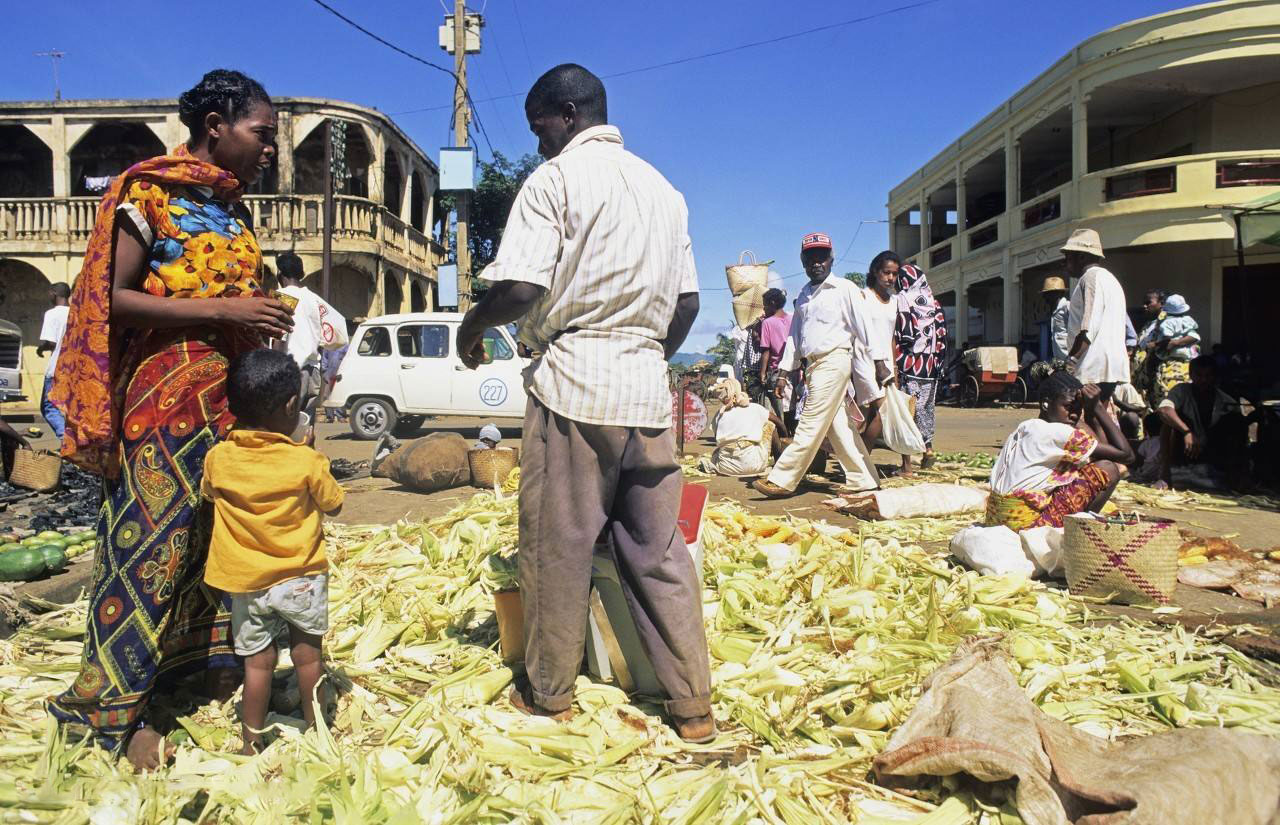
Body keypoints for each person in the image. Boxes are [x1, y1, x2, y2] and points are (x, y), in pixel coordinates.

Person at [454, 64, 713, 742]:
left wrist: (470, 327)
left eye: (541, 128)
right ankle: (693, 709)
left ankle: (550, 694)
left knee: (556, 546)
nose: (539, 143)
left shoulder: (555, 181)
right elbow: (686, 304)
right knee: (659, 550)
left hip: (575, 383)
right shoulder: (665, 190)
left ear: (567, 113)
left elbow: (519, 288)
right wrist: (648, 350)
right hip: (646, 391)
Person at [47, 69, 291, 769]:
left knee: (216, 541)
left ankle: (187, 676)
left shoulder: (234, 209)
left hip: (229, 404)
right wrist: (226, 311)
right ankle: (110, 712)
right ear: (215, 125)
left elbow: (235, 297)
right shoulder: (146, 194)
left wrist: (262, 315)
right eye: (262, 134)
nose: (269, 148)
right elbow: (113, 298)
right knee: (147, 549)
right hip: (163, 403)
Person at [201, 349, 343, 755]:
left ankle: (251, 743)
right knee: (307, 656)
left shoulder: (219, 457)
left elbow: (210, 494)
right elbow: (333, 503)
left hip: (245, 580)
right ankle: (320, 734)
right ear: (291, 406)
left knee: (258, 663)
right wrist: (312, 454)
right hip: (300, 577)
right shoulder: (305, 460)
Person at [751, 233, 880, 499]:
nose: (816, 263)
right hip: (812, 366)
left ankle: (783, 479)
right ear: (802, 261)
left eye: (822, 257)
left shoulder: (845, 289)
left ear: (832, 259)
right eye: (810, 258)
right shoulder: (805, 296)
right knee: (838, 426)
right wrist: (784, 374)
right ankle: (864, 478)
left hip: (836, 359)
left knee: (809, 422)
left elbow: (865, 326)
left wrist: (878, 362)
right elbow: (794, 339)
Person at [985, 371, 1133, 530]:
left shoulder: (1027, 426)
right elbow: (1126, 455)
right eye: (1068, 407)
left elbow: (1098, 452)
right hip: (1025, 524)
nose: (1074, 414)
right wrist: (1097, 408)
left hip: (996, 518)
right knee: (1108, 469)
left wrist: (1089, 413)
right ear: (1045, 404)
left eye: (1079, 409)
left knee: (1092, 468)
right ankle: (1078, 534)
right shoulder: (1056, 432)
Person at [1154, 355, 1253, 490]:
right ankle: (1165, 475)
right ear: (1191, 375)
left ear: (1215, 377)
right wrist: (1186, 432)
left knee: (1235, 422)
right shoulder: (1181, 391)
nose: (1204, 380)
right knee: (1168, 424)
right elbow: (1164, 410)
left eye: (1208, 375)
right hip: (1184, 451)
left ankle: (1234, 477)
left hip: (1211, 454)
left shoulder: (1224, 400)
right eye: (1199, 375)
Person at [275, 252, 347, 419]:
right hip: (313, 372)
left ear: (280, 273)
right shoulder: (314, 299)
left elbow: (280, 337)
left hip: (290, 371)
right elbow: (338, 330)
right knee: (305, 425)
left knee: (285, 427)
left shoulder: (283, 297)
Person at [1062, 229, 1129, 399]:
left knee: (1086, 417)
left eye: (1068, 258)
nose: (1066, 264)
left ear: (1082, 257)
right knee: (1098, 415)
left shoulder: (1090, 278)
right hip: (1110, 366)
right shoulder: (1111, 279)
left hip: (1091, 366)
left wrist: (1070, 362)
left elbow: (1089, 327)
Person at [894, 263, 946, 475]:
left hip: (910, 367)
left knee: (906, 412)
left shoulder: (902, 300)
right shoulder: (935, 303)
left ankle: (906, 465)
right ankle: (928, 449)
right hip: (931, 369)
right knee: (925, 410)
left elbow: (902, 334)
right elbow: (943, 337)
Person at [855, 251, 900, 455]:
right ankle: (862, 464)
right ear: (875, 271)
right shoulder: (863, 297)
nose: (890, 278)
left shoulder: (895, 301)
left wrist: (894, 368)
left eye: (894, 274)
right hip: (865, 362)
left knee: (874, 415)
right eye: (886, 272)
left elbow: (891, 337)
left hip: (887, 365)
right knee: (882, 412)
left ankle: (859, 461)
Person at [701, 377, 781, 477]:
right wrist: (785, 437)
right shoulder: (755, 407)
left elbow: (717, 438)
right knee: (770, 425)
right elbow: (779, 422)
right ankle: (779, 465)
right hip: (754, 465)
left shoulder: (720, 414)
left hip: (725, 467)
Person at [1147, 293, 1200, 409]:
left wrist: (1156, 344)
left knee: (1163, 390)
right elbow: (1195, 336)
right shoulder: (1189, 320)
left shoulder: (1167, 323)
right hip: (1187, 360)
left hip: (1170, 361)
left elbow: (1167, 341)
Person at [36, 283, 71, 440]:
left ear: (55, 293)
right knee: (70, 410)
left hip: (56, 369)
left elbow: (51, 343)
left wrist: (41, 348)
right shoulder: (76, 313)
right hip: (74, 369)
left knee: (49, 407)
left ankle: (65, 442)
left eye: (50, 293)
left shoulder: (52, 314)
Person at [757, 288, 792, 426]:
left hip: (776, 373)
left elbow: (766, 350)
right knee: (794, 411)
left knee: (778, 412)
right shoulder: (793, 318)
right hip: (793, 373)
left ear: (772, 303)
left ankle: (782, 439)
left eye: (765, 304)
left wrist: (762, 373)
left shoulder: (767, 323)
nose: (764, 308)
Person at [1132, 288, 1167, 404]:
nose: (1144, 306)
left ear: (1161, 303)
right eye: (1144, 303)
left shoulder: (1167, 325)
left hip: (1157, 380)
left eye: (1148, 303)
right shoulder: (1148, 324)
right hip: (1143, 380)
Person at [1042, 276, 1070, 362]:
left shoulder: (1067, 307)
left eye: (1047, 294)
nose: (1044, 297)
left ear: (1058, 294)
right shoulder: (1054, 312)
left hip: (1070, 359)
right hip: (1059, 360)